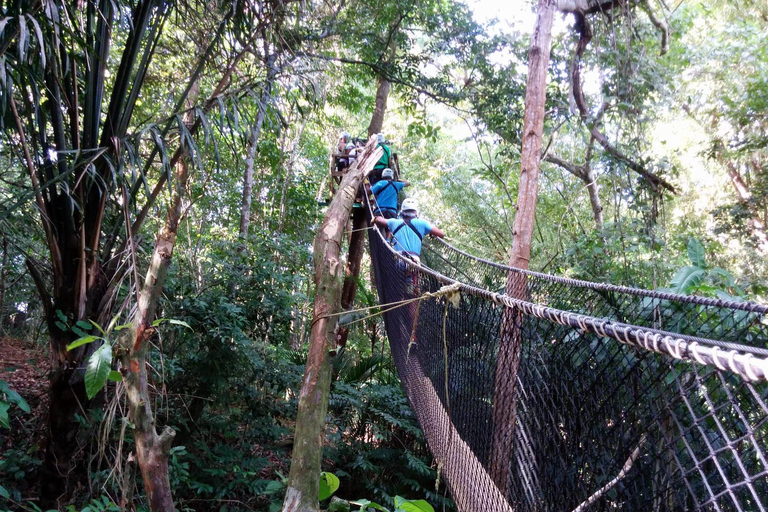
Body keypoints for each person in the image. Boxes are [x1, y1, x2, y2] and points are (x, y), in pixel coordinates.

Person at [373, 198, 444, 263]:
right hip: (414, 261)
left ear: (402, 211)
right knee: (412, 275)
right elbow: (441, 234)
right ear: (416, 211)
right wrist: (431, 232)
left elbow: (379, 220)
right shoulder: (423, 224)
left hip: (398, 259)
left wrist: (375, 218)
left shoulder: (394, 222)